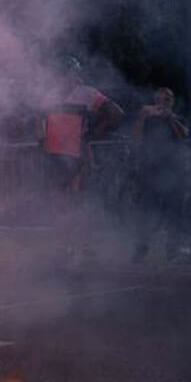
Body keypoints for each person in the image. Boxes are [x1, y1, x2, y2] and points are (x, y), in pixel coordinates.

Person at [40, 56, 122, 262]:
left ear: (75, 74)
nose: (65, 77)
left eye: (68, 72)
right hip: (56, 154)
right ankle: (65, 246)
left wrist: (93, 133)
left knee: (78, 199)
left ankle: (84, 245)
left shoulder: (87, 93)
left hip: (77, 154)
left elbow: (115, 112)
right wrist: (41, 138)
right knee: (60, 201)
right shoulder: (50, 94)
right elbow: (41, 120)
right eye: (62, 72)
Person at [131, 87, 191, 262]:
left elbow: (184, 135)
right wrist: (142, 117)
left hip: (173, 170)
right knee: (146, 211)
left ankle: (172, 250)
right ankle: (141, 248)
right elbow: (137, 137)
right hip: (150, 170)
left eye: (165, 100)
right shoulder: (148, 120)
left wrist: (170, 118)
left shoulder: (177, 118)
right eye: (158, 100)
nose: (161, 104)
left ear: (171, 102)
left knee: (174, 212)